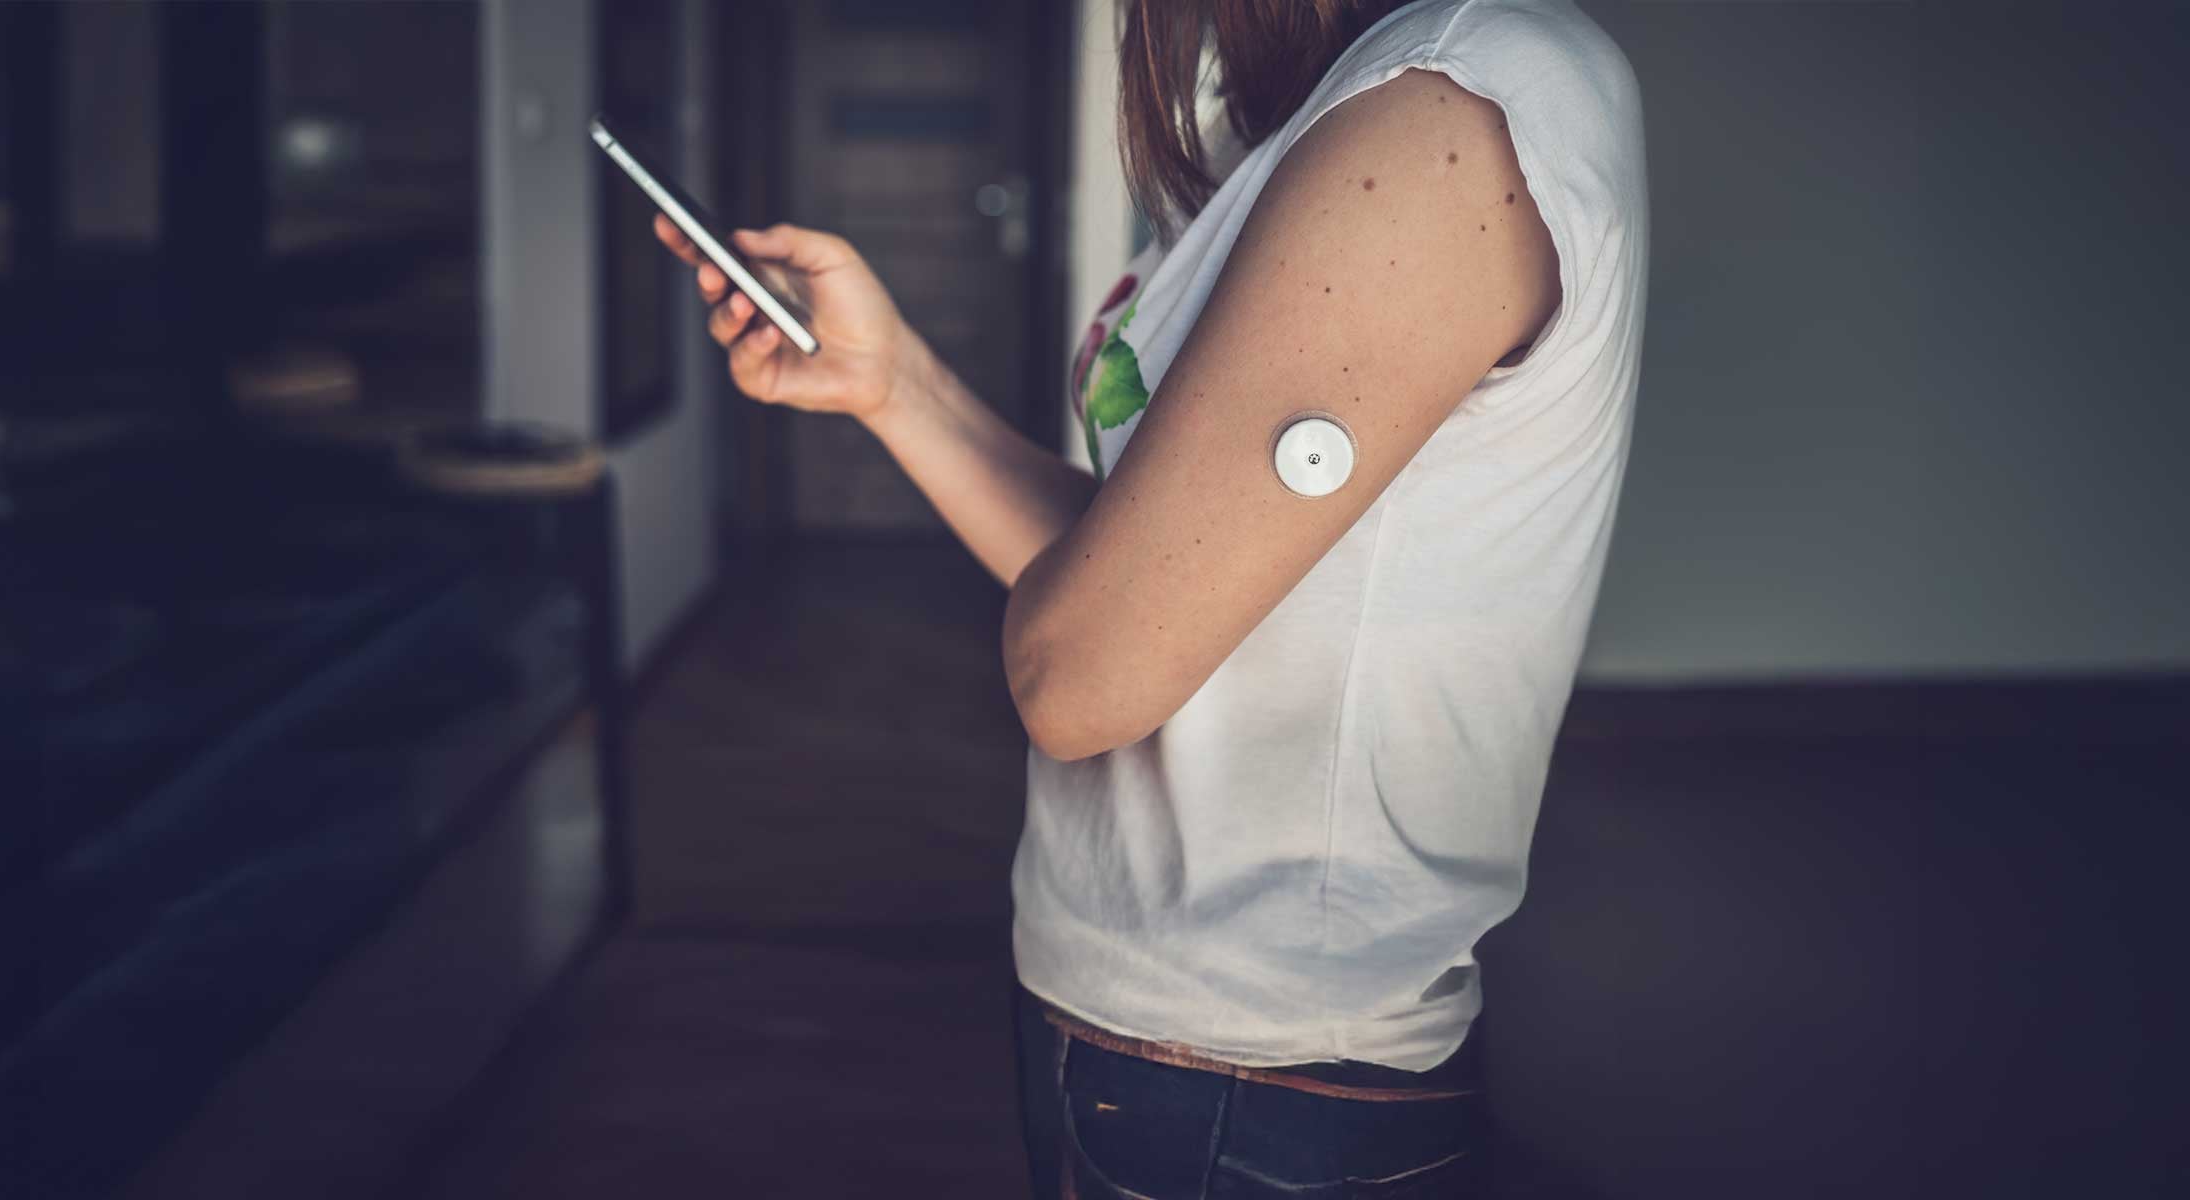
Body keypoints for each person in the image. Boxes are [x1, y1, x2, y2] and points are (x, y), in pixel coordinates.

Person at [655, 0, 1646, 1194]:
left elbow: (1083, 679)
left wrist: (1087, 631)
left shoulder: (1450, 111)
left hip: (1253, 1080)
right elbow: (1138, 571)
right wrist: (893, 381)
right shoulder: (1298, 119)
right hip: (1137, 1019)